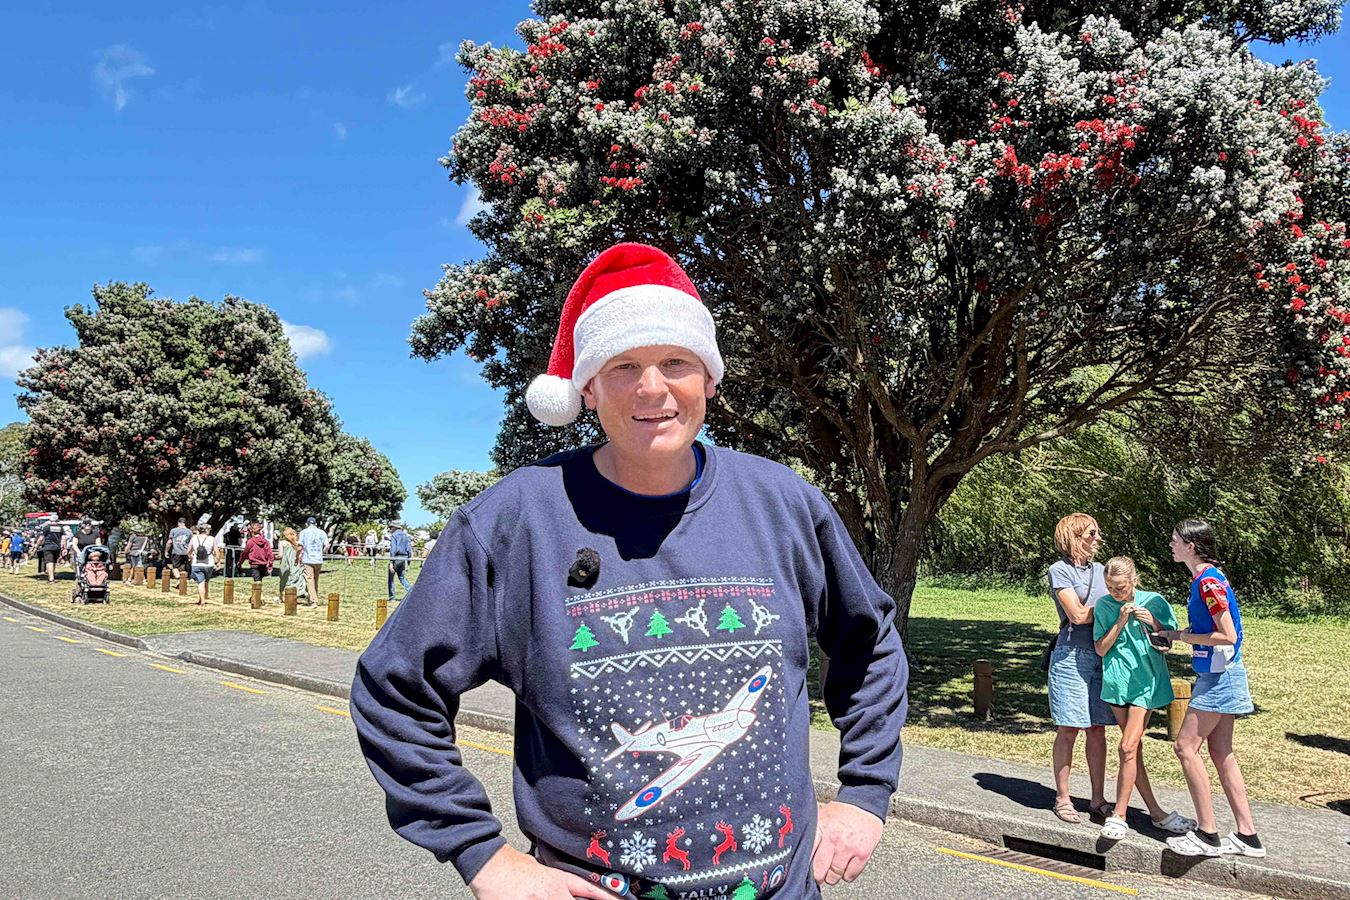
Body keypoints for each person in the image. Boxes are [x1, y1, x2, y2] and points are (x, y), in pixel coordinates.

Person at [352, 243, 909, 900]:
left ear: (709, 379)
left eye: (676, 362)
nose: (652, 388)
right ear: (586, 389)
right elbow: (394, 689)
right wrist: (483, 856)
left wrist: (865, 793)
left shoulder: (783, 504)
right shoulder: (514, 520)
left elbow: (869, 641)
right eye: (622, 366)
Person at [1155, 519, 1264, 858]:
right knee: (1220, 751)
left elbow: (1227, 635)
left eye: (1175, 540)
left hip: (1219, 677)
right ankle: (1248, 837)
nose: (1171, 545)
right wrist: (1175, 635)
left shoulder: (1208, 582)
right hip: (1221, 673)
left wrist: (1185, 637)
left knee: (1185, 747)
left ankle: (1207, 834)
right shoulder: (1206, 579)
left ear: (1191, 546)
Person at [1092, 556, 1195, 840]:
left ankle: (1119, 815)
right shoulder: (1104, 606)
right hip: (1117, 682)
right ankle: (1157, 813)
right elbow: (1101, 648)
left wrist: (1153, 622)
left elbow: (1168, 643)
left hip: (1146, 682)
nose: (1115, 593)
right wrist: (1120, 620)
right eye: (1110, 587)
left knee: (1127, 746)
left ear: (1134, 581)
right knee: (1132, 750)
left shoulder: (1154, 601)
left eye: (1121, 587)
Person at [1046, 513, 1113, 824]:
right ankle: (1063, 798)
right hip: (1071, 657)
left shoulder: (1102, 571)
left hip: (1102, 655)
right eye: (1091, 533)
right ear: (1074, 537)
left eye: (1097, 533)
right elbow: (1077, 615)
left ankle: (1098, 800)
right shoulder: (1059, 571)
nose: (1098, 539)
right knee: (1069, 728)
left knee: (1097, 728)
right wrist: (1113, 608)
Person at [186, 523, 218, 605]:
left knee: (200, 582)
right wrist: (218, 561)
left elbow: (188, 551)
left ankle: (202, 600)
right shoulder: (211, 539)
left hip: (196, 563)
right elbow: (216, 551)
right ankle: (203, 598)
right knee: (205, 581)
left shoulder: (194, 538)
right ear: (206, 530)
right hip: (209, 563)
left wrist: (190, 557)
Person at [298, 517, 327, 605]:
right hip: (318, 559)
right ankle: (313, 596)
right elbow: (327, 545)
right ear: (316, 524)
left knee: (309, 579)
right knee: (315, 580)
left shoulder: (303, 532)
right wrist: (322, 552)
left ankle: (313, 600)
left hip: (308, 559)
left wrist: (297, 556)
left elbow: (300, 546)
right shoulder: (322, 532)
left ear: (307, 524)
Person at [277, 526, 307, 605]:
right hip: (295, 563)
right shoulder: (297, 544)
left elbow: (280, 555)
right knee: (296, 579)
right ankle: (296, 595)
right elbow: (301, 554)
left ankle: (282, 597)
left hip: (285, 564)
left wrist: (274, 557)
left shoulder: (282, 543)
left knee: (284, 580)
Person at [386, 521, 413, 602]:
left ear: (394, 527)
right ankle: (410, 593)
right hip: (404, 558)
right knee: (402, 578)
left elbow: (393, 549)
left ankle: (392, 597)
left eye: (391, 527)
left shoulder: (394, 535)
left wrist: (391, 562)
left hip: (396, 557)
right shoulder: (405, 535)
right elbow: (409, 549)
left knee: (391, 579)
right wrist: (408, 561)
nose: (390, 529)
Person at [242, 521, 274, 588]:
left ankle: (257, 594)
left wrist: (240, 562)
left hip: (254, 564)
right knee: (259, 581)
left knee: (257, 582)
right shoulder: (265, 541)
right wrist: (270, 565)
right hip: (263, 564)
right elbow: (270, 554)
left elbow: (245, 553)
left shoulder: (250, 541)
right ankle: (257, 593)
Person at [166, 517, 193, 582]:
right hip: (186, 552)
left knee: (175, 567)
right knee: (185, 566)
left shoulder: (173, 530)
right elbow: (191, 543)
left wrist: (166, 551)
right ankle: (186, 578)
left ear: (178, 523)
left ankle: (179, 578)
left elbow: (170, 542)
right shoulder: (189, 532)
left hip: (176, 552)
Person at [39, 518, 64, 582]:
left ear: (50, 520)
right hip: (57, 547)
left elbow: (41, 538)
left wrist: (36, 545)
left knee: (49, 562)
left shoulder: (47, 527)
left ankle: (51, 578)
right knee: (54, 562)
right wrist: (64, 547)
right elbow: (63, 538)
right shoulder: (61, 528)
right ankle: (52, 575)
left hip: (48, 546)